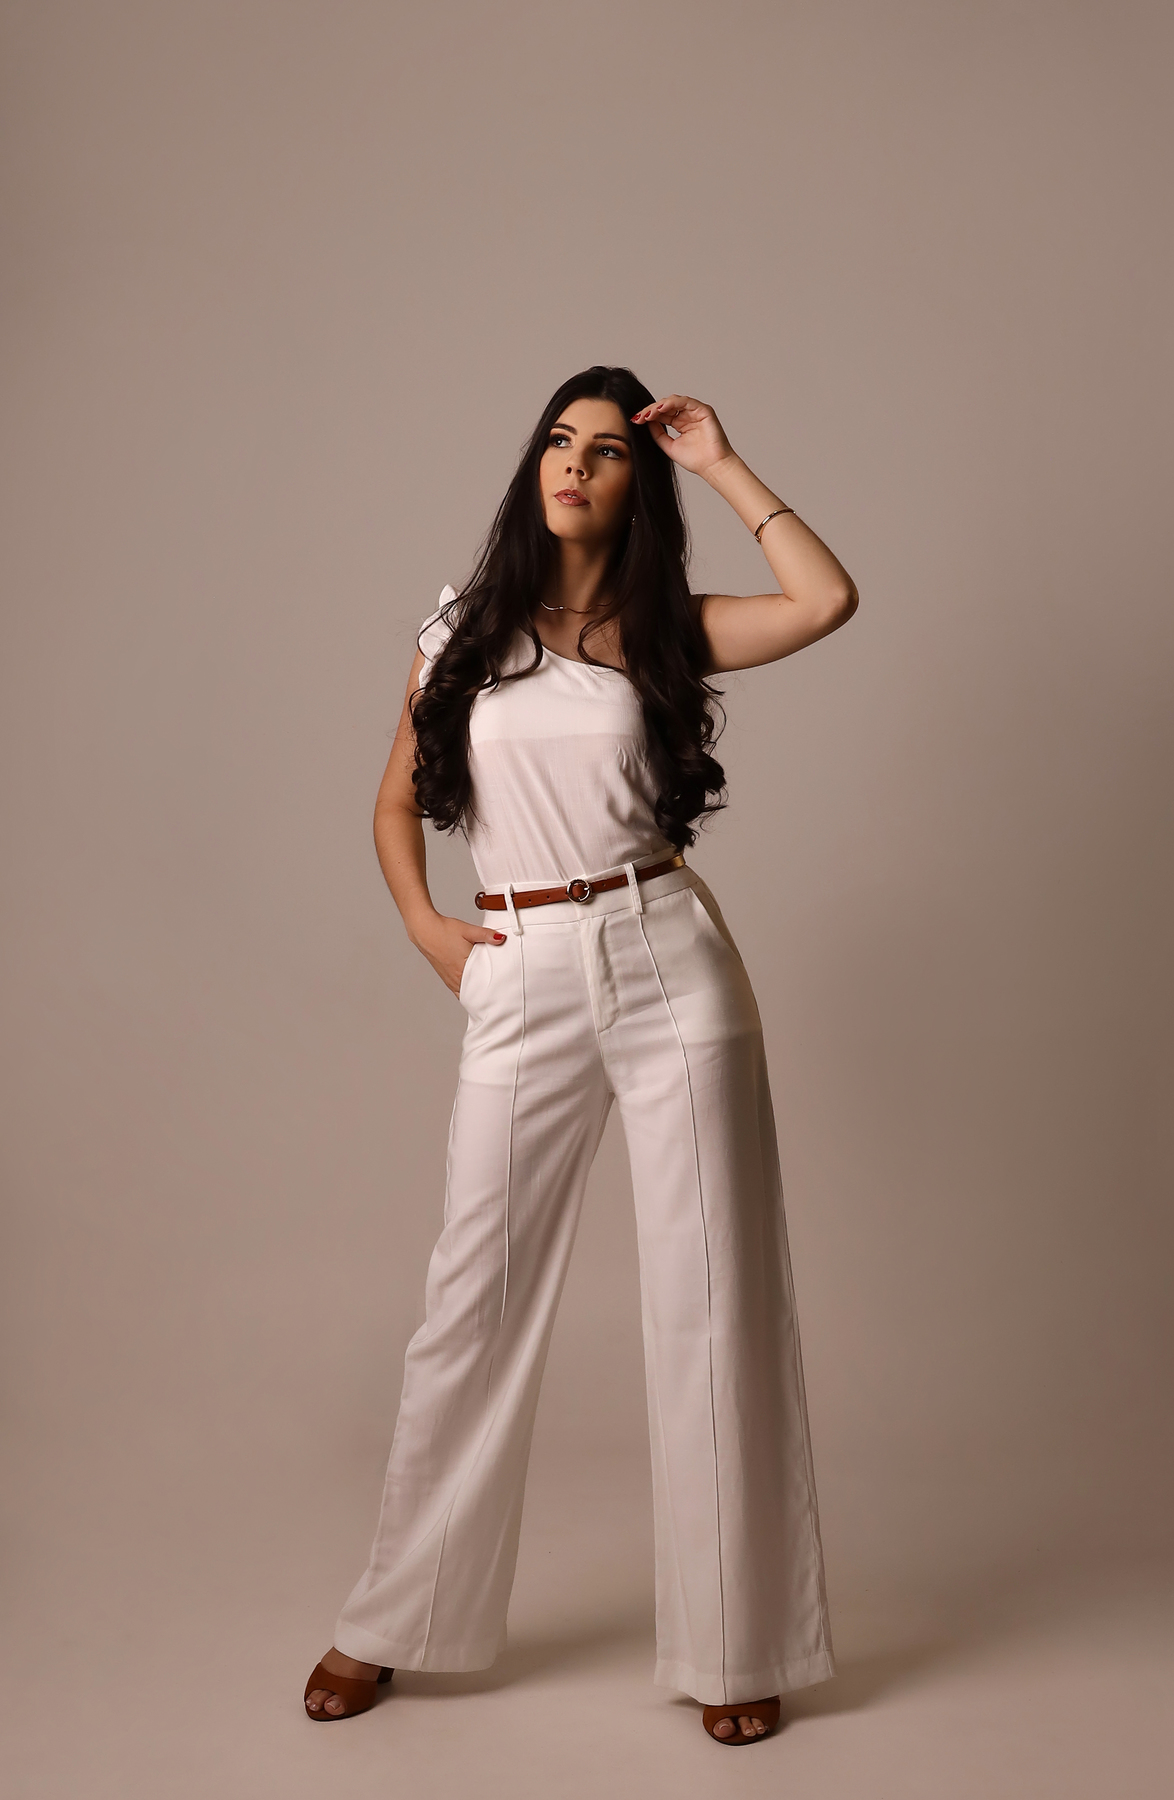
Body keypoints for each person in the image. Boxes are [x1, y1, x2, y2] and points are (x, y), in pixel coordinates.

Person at [304, 365, 858, 1746]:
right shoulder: (461, 630)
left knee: (712, 1296)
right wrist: (431, 931)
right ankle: (394, 1619)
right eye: (560, 441)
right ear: (533, 468)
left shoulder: (669, 631)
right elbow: (392, 805)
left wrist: (720, 459)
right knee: (471, 1297)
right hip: (522, 964)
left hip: (666, 952)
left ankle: (736, 1640)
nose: (576, 465)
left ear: (636, 485)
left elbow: (824, 600)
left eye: (608, 451)